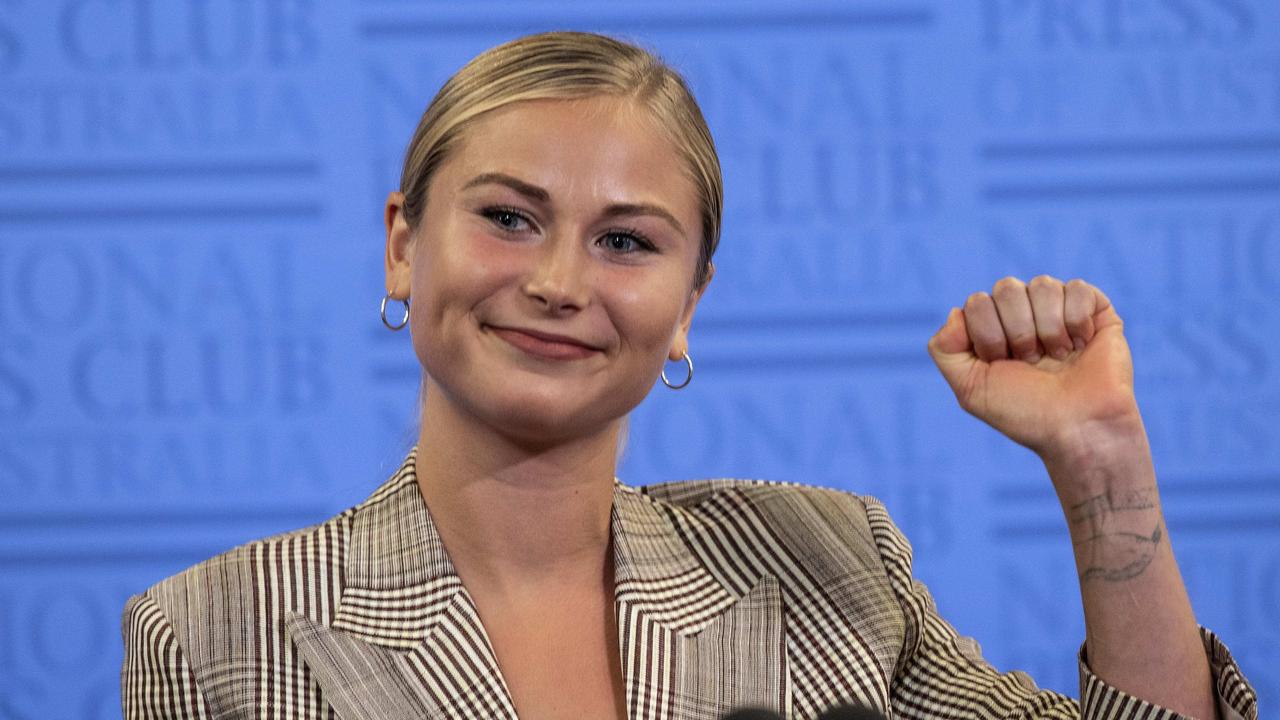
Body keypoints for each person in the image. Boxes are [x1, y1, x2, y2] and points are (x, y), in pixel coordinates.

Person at [121, 31, 1256, 720]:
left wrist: (1099, 462)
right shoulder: (215, 631)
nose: (561, 281)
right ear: (402, 245)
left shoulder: (824, 565)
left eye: (626, 241)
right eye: (509, 218)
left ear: (687, 307)